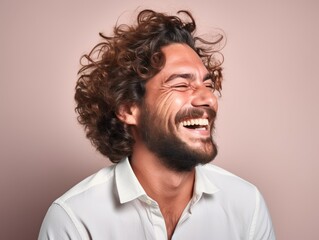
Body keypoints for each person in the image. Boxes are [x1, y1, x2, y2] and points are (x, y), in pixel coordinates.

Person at [38, 9, 275, 240]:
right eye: (181, 84)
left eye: (208, 85)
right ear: (128, 109)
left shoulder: (247, 206)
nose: (208, 99)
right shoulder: (74, 220)